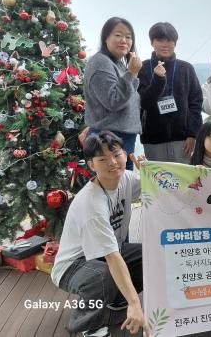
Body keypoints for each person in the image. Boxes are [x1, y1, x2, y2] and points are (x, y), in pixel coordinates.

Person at [50, 131, 150, 337]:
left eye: (117, 155)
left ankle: (116, 299)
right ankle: (87, 325)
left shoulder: (126, 178)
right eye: (102, 159)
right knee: (100, 275)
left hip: (105, 253)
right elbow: (112, 258)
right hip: (73, 265)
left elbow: (156, 189)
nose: (112, 162)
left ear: (126, 154)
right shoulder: (91, 203)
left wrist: (150, 173)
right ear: (92, 165)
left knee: (148, 254)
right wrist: (135, 303)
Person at [137, 22, 203, 164]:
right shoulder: (143, 67)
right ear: (152, 42)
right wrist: (157, 80)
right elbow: (142, 102)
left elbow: (196, 103)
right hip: (153, 140)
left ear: (175, 43)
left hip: (183, 140)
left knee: (184, 177)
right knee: (158, 177)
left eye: (169, 40)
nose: (165, 44)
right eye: (160, 40)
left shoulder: (186, 68)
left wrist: (193, 134)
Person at [84, 17, 142, 170]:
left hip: (121, 137)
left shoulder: (117, 63)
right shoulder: (101, 62)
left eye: (128, 37)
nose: (124, 40)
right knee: (112, 182)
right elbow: (114, 101)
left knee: (124, 183)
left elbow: (129, 97)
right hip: (109, 139)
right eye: (118, 35)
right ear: (105, 38)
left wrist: (131, 74)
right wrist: (131, 73)